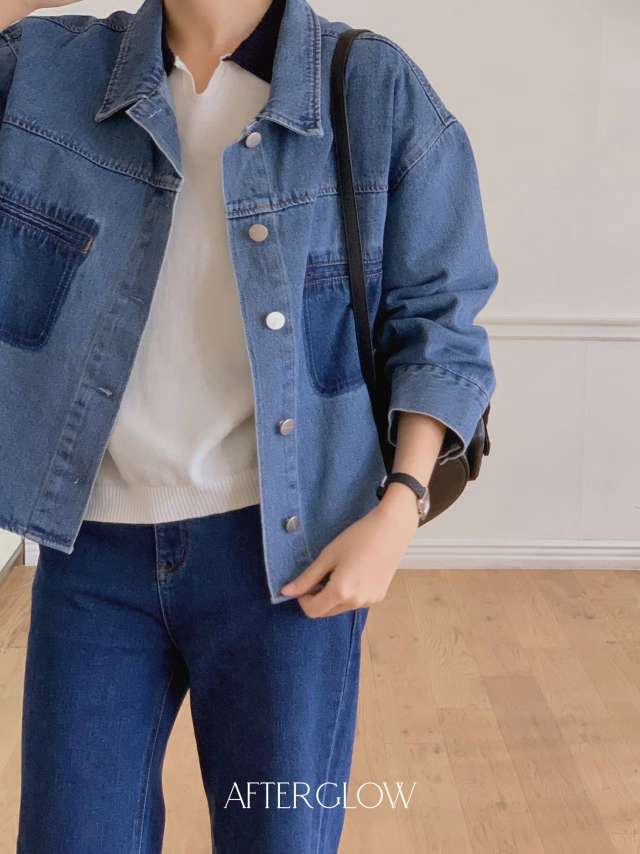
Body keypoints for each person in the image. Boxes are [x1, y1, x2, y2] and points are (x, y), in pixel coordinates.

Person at [0, 0, 498, 851]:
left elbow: (440, 321)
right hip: (92, 558)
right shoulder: (46, 71)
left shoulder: (370, 89)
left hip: (287, 562)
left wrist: (400, 508)